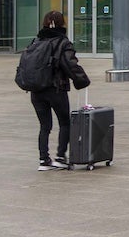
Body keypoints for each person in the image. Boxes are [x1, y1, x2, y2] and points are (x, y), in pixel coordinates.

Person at [28, 10, 91, 170]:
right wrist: (82, 80)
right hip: (56, 89)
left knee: (44, 126)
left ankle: (43, 160)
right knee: (64, 123)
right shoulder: (62, 42)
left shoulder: (36, 41)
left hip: (36, 90)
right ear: (62, 23)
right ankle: (61, 157)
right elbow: (70, 65)